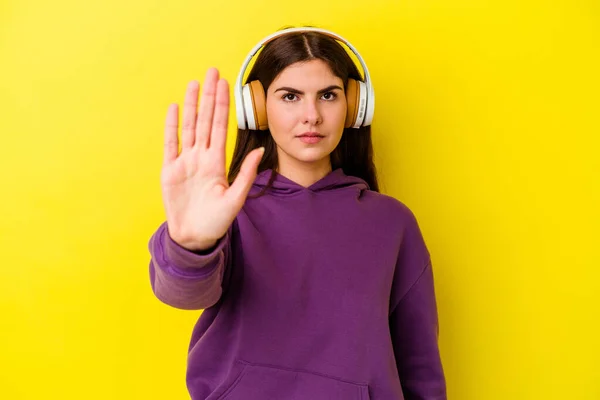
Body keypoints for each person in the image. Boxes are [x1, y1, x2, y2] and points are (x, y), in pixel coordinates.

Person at [148, 26, 447, 400]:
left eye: (328, 95)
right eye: (290, 96)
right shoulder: (224, 211)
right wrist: (190, 244)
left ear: (354, 107)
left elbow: (420, 367)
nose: (312, 115)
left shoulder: (392, 223)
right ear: (257, 108)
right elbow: (182, 293)